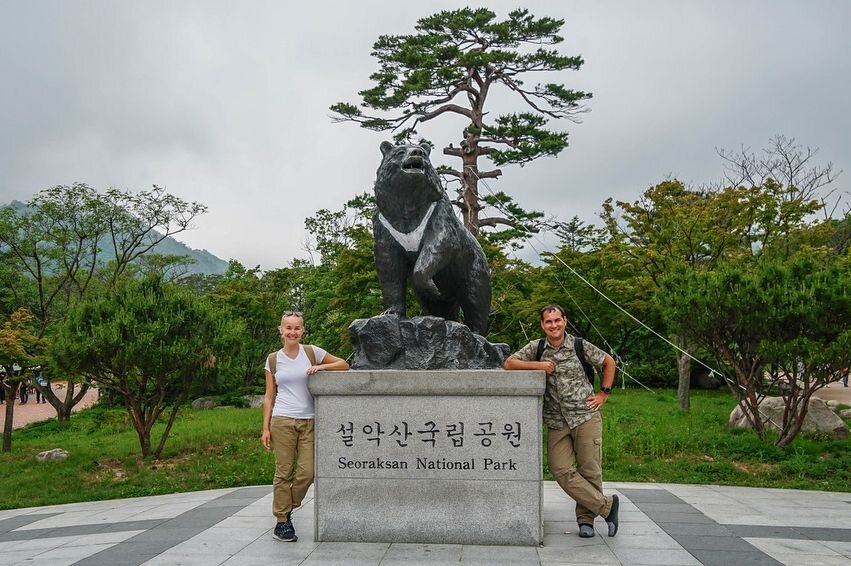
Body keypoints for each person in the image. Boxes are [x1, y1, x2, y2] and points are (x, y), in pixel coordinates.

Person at [504, 303, 620, 538]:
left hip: (585, 415)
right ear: (542, 324)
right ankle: (607, 507)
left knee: (590, 470)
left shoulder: (579, 345)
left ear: (565, 321)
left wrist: (603, 393)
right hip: (557, 421)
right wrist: (538, 365)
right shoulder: (536, 347)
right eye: (548, 321)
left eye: (557, 320)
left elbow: (609, 362)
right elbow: (509, 363)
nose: (553, 325)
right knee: (560, 469)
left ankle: (585, 520)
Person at [262, 310, 349, 543]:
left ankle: (286, 508)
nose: (292, 332)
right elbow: (269, 397)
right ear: (281, 330)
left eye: (297, 328)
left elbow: (344, 364)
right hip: (281, 420)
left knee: (307, 473)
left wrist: (321, 368)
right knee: (283, 472)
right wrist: (265, 428)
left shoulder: (312, 352)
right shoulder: (273, 359)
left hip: (309, 420)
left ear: (302, 330)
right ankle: (282, 522)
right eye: (288, 327)